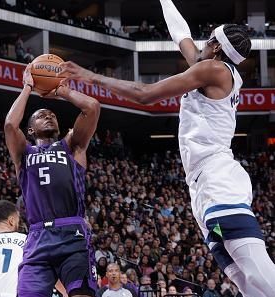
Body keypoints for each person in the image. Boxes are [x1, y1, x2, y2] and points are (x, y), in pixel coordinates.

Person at [58, 1, 275, 296]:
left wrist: (89, 76)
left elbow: (145, 95)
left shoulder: (214, 70)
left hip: (218, 177)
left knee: (259, 272)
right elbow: (180, 35)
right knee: (243, 279)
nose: (204, 43)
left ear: (217, 48)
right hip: (202, 183)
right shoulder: (211, 67)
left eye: (210, 39)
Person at [4, 64, 100, 297]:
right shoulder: (23, 153)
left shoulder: (72, 146)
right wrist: (28, 86)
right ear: (30, 130)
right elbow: (9, 125)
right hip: (38, 238)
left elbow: (92, 107)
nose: (48, 116)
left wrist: (62, 91)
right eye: (40, 116)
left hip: (72, 233)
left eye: (52, 115)